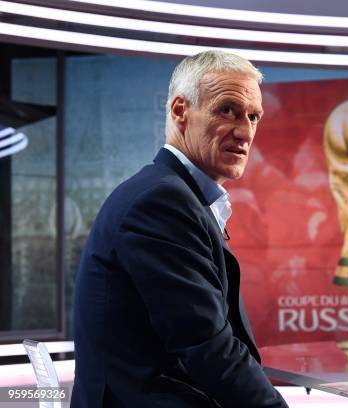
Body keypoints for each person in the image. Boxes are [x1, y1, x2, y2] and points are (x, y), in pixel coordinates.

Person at [71, 51, 288, 408]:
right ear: (179, 111)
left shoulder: (172, 194)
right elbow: (207, 347)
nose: (245, 131)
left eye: (253, 116)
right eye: (227, 110)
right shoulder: (161, 201)